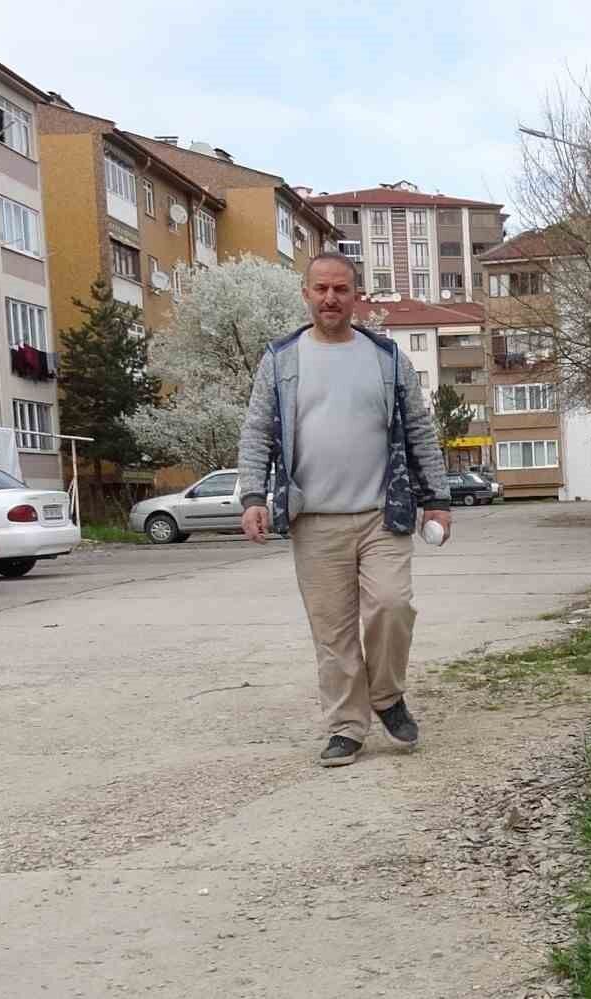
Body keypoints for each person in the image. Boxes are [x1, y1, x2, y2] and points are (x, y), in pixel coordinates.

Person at [237, 253, 453, 767]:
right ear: (306, 294)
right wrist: (251, 497)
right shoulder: (281, 359)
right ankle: (346, 727)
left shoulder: (385, 357)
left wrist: (437, 501)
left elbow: (419, 430)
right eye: (320, 289)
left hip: (383, 514)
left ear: (357, 296)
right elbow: (257, 430)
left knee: (392, 606)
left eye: (341, 289)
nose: (330, 298)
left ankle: (386, 695)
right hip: (314, 521)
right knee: (332, 632)